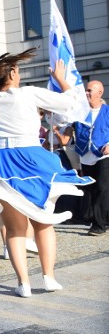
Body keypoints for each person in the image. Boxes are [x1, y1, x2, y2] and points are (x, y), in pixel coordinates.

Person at [0, 49, 93, 297]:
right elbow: (72, 101)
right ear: (13, 72)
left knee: (14, 228)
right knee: (43, 222)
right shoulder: (28, 93)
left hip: (1, 162)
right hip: (31, 158)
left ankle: (23, 283)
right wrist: (60, 78)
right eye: (18, 69)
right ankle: (48, 277)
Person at [61, 80, 108, 236]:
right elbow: (66, 135)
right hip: (85, 155)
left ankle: (98, 225)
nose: (86, 93)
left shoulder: (107, 112)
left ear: (99, 93)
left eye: (89, 91)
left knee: (102, 188)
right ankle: (101, 219)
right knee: (91, 190)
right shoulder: (79, 113)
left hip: (103, 155)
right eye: (86, 91)